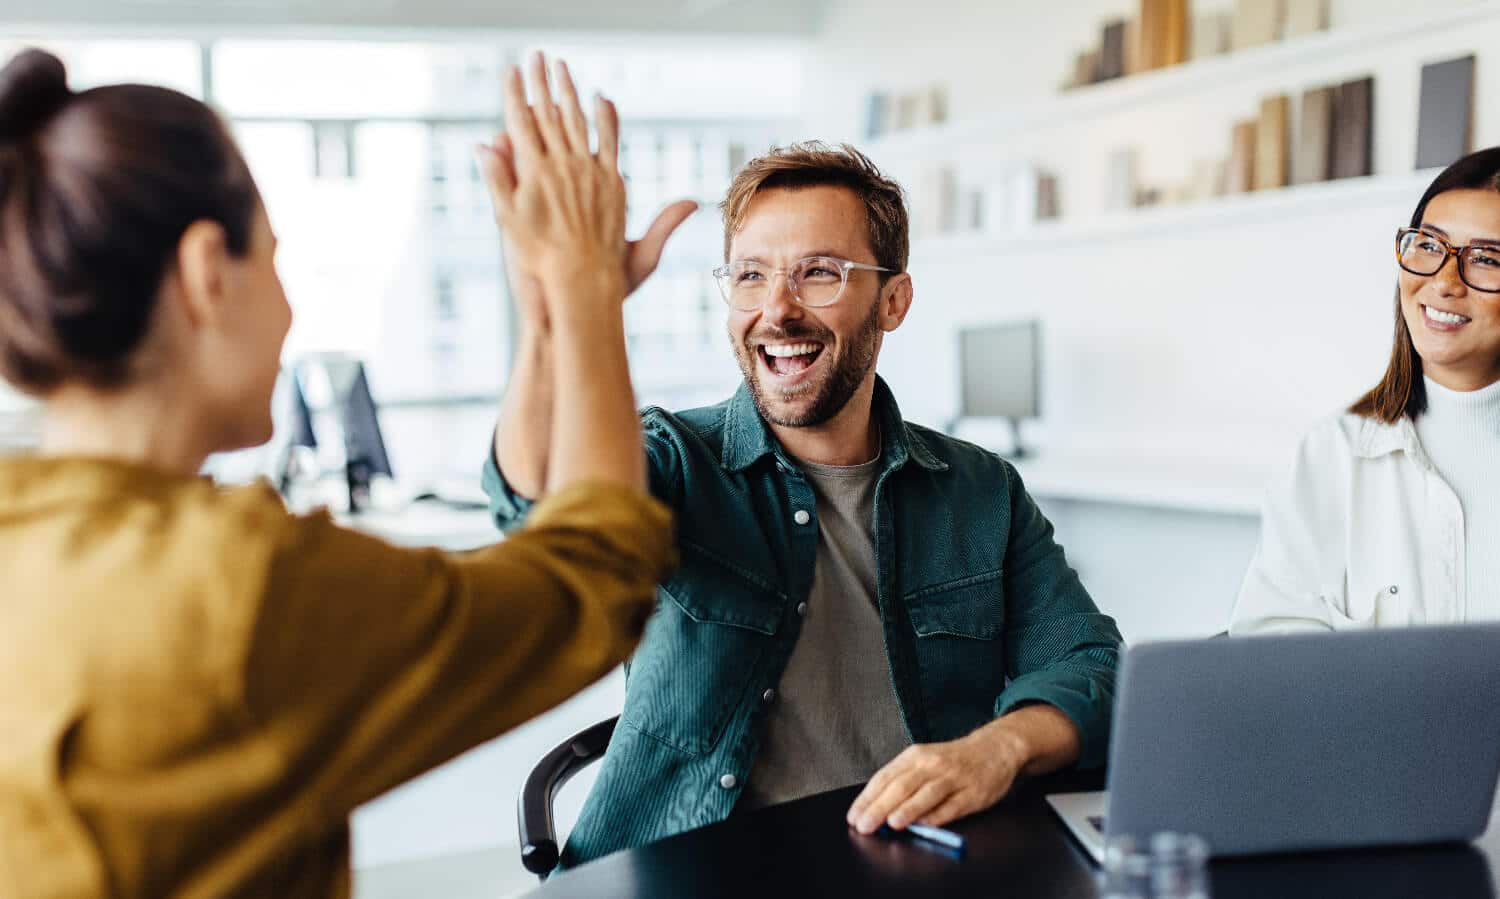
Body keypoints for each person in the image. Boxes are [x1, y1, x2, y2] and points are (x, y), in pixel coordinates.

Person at [0, 49, 675, 898]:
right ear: (208, 271)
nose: (288, 311)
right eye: (274, 261)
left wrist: (549, 318)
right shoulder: (235, 585)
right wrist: (583, 290)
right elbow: (596, 578)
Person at [486, 141, 1123, 869]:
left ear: (894, 301)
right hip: (684, 872)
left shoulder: (980, 490)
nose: (777, 310)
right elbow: (534, 502)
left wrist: (997, 748)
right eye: (751, 275)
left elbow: (1094, 666)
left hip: (906, 867)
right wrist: (553, 313)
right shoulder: (673, 461)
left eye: (819, 273)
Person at [1230, 148, 1500, 634]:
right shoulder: (1331, 455)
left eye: (1485, 258)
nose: (1442, 282)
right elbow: (1272, 658)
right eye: (1428, 245)